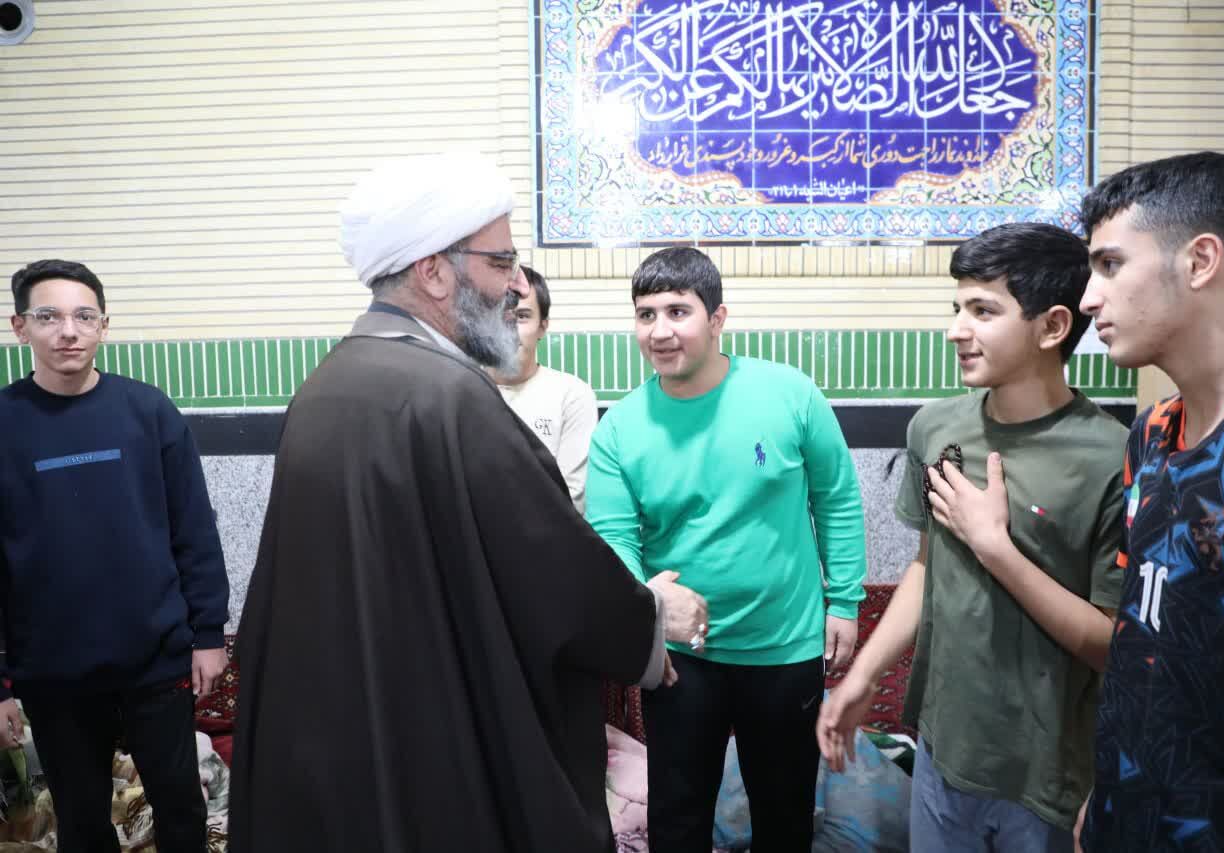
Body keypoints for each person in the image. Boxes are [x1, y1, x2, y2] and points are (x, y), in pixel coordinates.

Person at [228, 153, 707, 853]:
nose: (516, 284)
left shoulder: (327, 384)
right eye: (501, 261)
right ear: (433, 271)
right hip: (437, 743)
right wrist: (650, 617)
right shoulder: (448, 396)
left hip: (352, 740)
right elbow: (551, 572)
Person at [816, 222, 1128, 853]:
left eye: (983, 311)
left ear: (1052, 326)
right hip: (943, 750)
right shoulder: (935, 429)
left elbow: (1111, 645)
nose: (956, 330)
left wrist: (996, 549)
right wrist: (864, 675)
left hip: (1046, 775)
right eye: (957, 308)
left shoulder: (1113, 456)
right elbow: (926, 567)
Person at [586, 246, 867, 853]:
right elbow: (614, 539)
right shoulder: (619, 429)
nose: (659, 331)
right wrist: (647, 619)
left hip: (785, 646)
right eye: (645, 314)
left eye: (677, 311)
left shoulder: (789, 394)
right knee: (677, 818)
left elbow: (836, 499)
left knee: (785, 817)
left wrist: (844, 600)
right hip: (680, 660)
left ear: (717, 319)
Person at [1075, 151, 1224, 851]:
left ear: (1200, 261)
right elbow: (1146, 629)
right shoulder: (1152, 433)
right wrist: (1109, 789)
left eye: (1110, 265)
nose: (1089, 299)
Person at [0, 259, 230, 852]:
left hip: (155, 659)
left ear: (104, 325)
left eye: (84, 316)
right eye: (48, 316)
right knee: (81, 820)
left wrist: (208, 632)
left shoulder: (148, 411)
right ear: (20, 327)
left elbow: (194, 529)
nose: (68, 331)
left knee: (180, 806)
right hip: (53, 670)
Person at [492, 265, 599, 512]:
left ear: (542, 326)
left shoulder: (571, 395)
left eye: (522, 316)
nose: (509, 330)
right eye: (498, 316)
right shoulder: (461, 391)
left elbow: (571, 498)